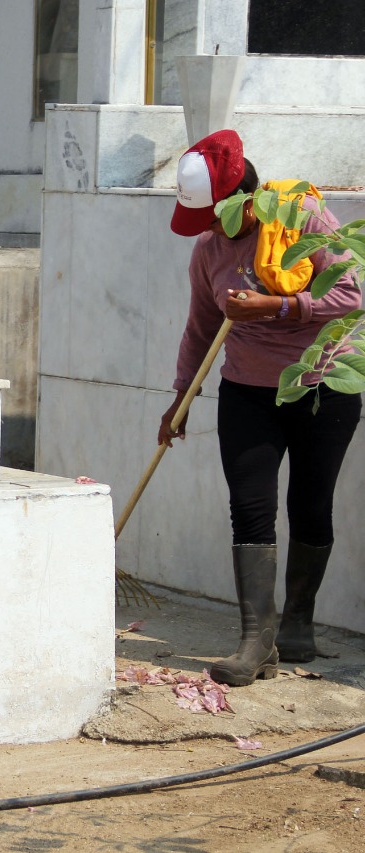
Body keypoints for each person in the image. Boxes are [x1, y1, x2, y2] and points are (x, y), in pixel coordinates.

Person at [158, 129, 360, 687]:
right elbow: (200, 329)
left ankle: (298, 620)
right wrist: (181, 398)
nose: (211, 232)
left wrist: (277, 305)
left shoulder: (304, 219)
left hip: (323, 384)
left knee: (311, 503)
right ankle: (257, 640)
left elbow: (353, 292)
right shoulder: (208, 252)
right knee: (249, 509)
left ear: (244, 199)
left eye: (218, 217)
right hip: (247, 392)